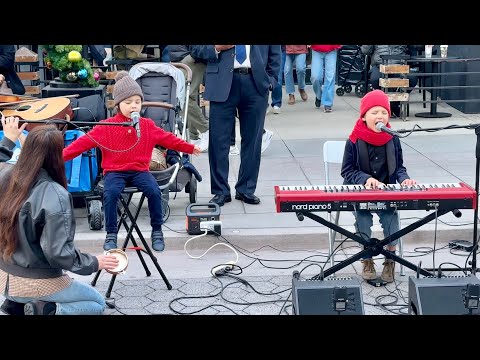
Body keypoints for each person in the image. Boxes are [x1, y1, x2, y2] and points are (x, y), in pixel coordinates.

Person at [63, 71, 201, 252]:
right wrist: (58, 157)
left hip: (140, 171)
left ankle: (157, 231)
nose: (133, 106)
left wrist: (189, 148)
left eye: (137, 102)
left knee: (153, 190)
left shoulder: (147, 125)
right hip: (114, 171)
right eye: (128, 103)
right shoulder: (107, 126)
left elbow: (168, 139)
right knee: (110, 193)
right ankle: (111, 234)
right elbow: (80, 144)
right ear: (118, 104)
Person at [0, 125, 120, 315]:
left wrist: (8, 139)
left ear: (27, 150)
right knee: (96, 303)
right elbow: (58, 253)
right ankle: (46, 309)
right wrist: (96, 262)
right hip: (35, 283)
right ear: (57, 154)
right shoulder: (55, 194)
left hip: (4, 276)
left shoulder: (6, 174)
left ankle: (15, 305)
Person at [340, 90, 417, 283]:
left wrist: (405, 179)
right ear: (364, 117)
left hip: (387, 192)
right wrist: (365, 178)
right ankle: (366, 259)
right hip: (360, 192)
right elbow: (347, 171)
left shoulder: (393, 138)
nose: (379, 116)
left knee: (392, 223)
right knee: (363, 221)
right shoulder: (354, 140)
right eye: (374, 112)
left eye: (383, 112)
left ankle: (390, 259)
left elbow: (399, 167)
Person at [191, 45, 280, 206]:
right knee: (218, 140)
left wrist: (271, 81)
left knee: (253, 140)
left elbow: (275, 53)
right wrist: (216, 48)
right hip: (221, 82)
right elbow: (196, 49)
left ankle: (246, 188)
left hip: (256, 82)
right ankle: (220, 191)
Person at [167, 45, 209, 152]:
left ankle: (206, 130)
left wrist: (193, 56)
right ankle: (194, 137)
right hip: (184, 56)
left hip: (189, 57)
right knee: (187, 98)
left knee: (185, 99)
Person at [360, 45, 421, 117]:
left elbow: (416, 47)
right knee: (375, 79)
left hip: (399, 65)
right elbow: (365, 51)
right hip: (380, 65)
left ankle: (394, 104)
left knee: (412, 78)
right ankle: (386, 103)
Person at [310, 45, 342, 112]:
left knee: (330, 77)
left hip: (332, 49)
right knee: (315, 77)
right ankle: (319, 96)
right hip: (316, 49)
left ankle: (328, 103)